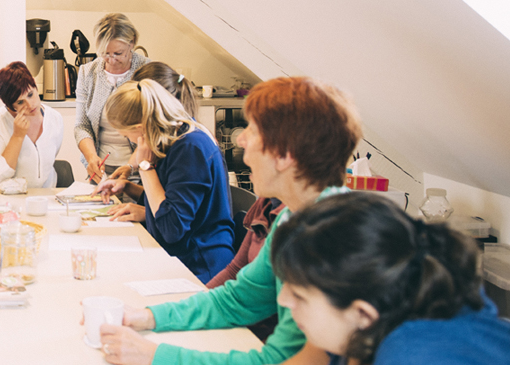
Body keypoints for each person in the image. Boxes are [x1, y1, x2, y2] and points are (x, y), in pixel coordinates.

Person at [93, 76, 363, 365]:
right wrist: (145, 316)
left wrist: (154, 356)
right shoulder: (290, 218)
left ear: (284, 155)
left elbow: (276, 360)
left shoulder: (327, 238)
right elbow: (236, 300)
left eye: (253, 130)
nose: (241, 139)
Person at [272, 192, 510, 365]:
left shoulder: (418, 356)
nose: (284, 300)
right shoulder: (383, 311)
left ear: (363, 313)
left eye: (299, 295)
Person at [95, 78, 234, 283]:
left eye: (127, 135)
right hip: (184, 254)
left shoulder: (190, 149)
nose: (130, 141)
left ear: (141, 129)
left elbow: (171, 227)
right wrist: (128, 187)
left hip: (200, 264)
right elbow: (169, 198)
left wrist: (145, 166)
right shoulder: (176, 137)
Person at [75, 13, 151, 183]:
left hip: (140, 170)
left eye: (118, 53)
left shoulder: (147, 70)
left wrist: (131, 167)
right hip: (100, 170)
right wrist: (91, 158)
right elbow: (81, 125)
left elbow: (152, 129)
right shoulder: (88, 72)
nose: (111, 60)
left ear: (131, 43)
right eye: (105, 53)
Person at [205, 197, 284, 342]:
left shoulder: (293, 221)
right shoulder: (266, 204)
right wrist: (199, 300)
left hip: (261, 332)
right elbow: (235, 270)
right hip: (249, 324)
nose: (250, 173)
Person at [0, 61, 63, 188]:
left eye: (30, 94)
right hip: (8, 200)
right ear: (9, 106)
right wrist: (17, 137)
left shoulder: (55, 118)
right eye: (20, 102)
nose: (30, 105)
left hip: (46, 197)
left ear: (35, 87)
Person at [109, 61, 199, 180]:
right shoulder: (172, 136)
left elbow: (166, 199)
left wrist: (146, 166)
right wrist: (129, 171)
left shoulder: (187, 147)